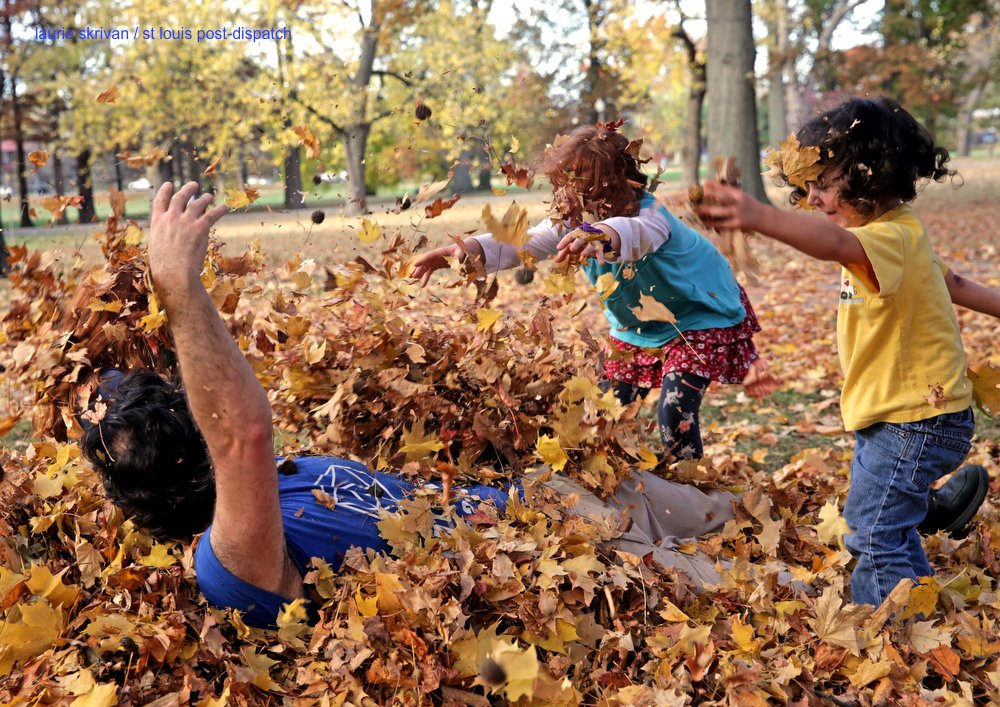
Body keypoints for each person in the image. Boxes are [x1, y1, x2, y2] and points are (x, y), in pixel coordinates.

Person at [76, 181, 742, 629]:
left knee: (724, 514)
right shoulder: (228, 562)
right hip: (564, 573)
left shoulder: (286, 472)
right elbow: (241, 432)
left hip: (544, 501)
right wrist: (176, 287)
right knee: (751, 592)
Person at [699, 96, 998, 607]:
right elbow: (954, 282)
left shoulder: (885, 238)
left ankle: (886, 642)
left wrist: (760, 217)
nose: (813, 198)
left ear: (871, 173)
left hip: (913, 419)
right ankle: (921, 612)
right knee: (890, 527)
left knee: (872, 532)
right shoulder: (898, 235)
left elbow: (833, 246)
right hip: (899, 414)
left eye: (823, 183)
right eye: (806, 187)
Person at [413, 123, 777, 462]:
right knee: (603, 406)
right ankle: (611, 472)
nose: (565, 196)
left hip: (697, 317)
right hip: (637, 329)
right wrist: (464, 252)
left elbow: (633, 235)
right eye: (561, 186)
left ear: (617, 186)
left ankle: (692, 486)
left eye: (579, 186)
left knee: (674, 410)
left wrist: (603, 234)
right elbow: (524, 242)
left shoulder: (651, 218)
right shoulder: (570, 223)